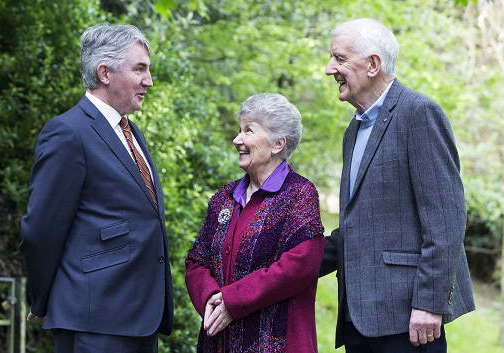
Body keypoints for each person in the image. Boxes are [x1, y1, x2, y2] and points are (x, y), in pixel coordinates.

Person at [319, 18, 475, 353]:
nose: (329, 68)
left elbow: (446, 221)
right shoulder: (353, 131)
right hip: (358, 318)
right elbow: (355, 227)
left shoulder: (419, 113)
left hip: (409, 320)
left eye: (339, 59)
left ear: (373, 64)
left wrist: (429, 303)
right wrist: (281, 262)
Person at [20, 24, 173, 353]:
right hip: (94, 318)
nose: (149, 81)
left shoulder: (132, 132)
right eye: (140, 69)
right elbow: (42, 228)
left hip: (141, 316)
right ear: (105, 72)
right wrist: (42, 297)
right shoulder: (67, 132)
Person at [185, 93, 325, 353]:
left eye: (248, 130)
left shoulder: (299, 194)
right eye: (239, 130)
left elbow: (299, 266)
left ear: (277, 143)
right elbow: (197, 261)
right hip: (220, 343)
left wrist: (232, 301)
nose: (237, 140)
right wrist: (210, 299)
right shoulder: (223, 198)